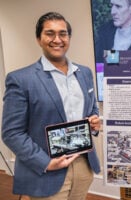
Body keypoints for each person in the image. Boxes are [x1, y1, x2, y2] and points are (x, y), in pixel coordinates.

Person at [1, 12, 101, 200]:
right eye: (50, 33)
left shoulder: (85, 73)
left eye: (63, 33)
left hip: (83, 165)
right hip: (48, 170)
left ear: (69, 38)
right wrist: (46, 163)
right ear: (39, 38)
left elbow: (92, 109)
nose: (57, 39)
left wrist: (94, 122)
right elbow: (11, 133)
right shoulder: (21, 79)